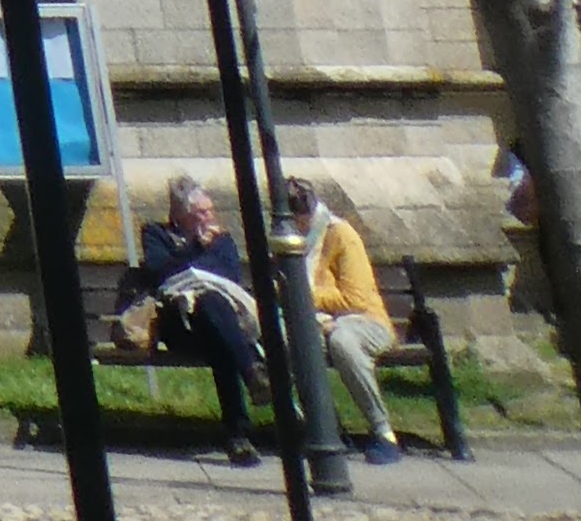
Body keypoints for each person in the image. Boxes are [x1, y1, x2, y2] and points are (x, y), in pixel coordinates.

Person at [117, 179, 266, 462]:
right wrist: (197, 248)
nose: (209, 217)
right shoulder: (156, 234)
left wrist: (193, 260)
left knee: (213, 314)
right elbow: (160, 272)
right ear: (180, 215)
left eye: (210, 210)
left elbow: (230, 276)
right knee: (216, 324)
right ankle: (251, 374)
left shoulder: (222, 239)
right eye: (201, 213)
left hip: (216, 324)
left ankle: (239, 437)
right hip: (178, 326)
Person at [286, 179, 401, 462]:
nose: (298, 224)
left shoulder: (341, 235)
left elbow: (355, 299)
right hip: (321, 323)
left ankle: (383, 431)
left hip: (365, 322)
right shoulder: (290, 242)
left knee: (343, 342)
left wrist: (306, 296)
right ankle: (328, 429)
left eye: (300, 216)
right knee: (296, 342)